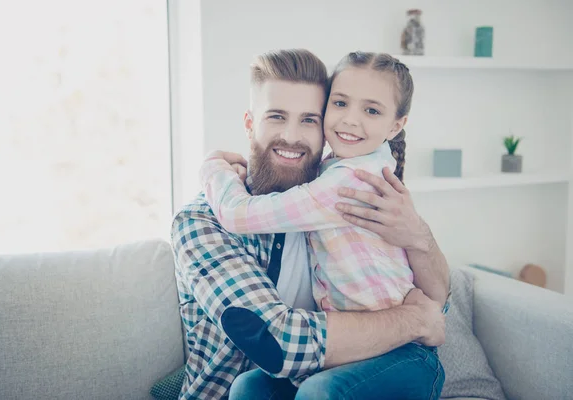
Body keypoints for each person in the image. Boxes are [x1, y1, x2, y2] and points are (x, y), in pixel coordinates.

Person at [171, 49, 449, 400]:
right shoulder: (201, 221)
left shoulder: (348, 188)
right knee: (248, 388)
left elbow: (439, 297)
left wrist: (420, 238)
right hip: (262, 381)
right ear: (249, 123)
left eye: (308, 119)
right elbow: (278, 344)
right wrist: (416, 321)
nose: (292, 135)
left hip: (380, 365)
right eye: (276, 116)